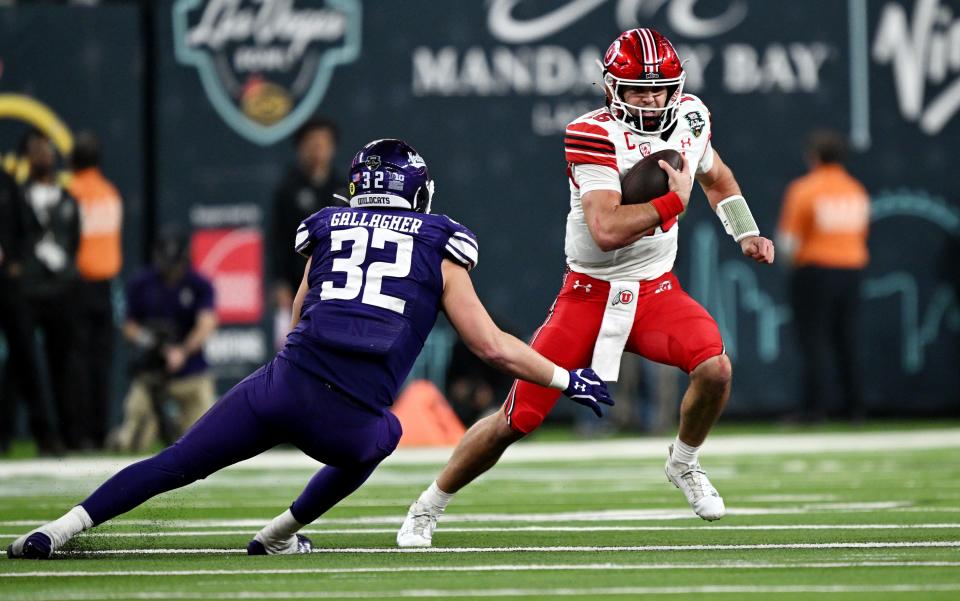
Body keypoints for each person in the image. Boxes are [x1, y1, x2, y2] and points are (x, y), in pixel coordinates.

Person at [6, 138, 612, 559]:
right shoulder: (438, 241)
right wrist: (566, 379)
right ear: (417, 192)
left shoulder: (327, 225)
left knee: (176, 463)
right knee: (386, 435)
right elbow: (493, 347)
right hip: (349, 415)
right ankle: (279, 533)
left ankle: (60, 529)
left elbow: (299, 313)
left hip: (282, 385)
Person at [397, 28, 775, 548]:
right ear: (611, 88)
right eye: (637, 89)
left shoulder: (691, 116)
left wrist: (745, 229)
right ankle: (428, 506)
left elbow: (719, 177)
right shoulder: (591, 133)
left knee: (716, 368)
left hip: (655, 290)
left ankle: (684, 463)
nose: (649, 97)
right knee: (516, 418)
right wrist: (671, 205)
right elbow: (607, 228)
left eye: (657, 88)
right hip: (589, 292)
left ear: (674, 87)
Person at [777, 129, 869, 423]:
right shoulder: (856, 189)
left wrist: (791, 267)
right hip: (852, 269)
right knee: (847, 339)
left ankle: (813, 409)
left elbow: (789, 240)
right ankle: (854, 409)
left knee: (813, 342)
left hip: (815, 270)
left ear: (813, 157)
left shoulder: (805, 189)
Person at [108, 229, 218, 452]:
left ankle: (177, 427)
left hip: (191, 373)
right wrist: (153, 344)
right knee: (131, 442)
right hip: (152, 373)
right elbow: (129, 326)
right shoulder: (142, 283)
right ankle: (129, 433)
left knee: (206, 441)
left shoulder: (199, 284)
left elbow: (207, 323)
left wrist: (182, 351)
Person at [17, 128, 86, 450]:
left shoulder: (68, 199)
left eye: (47, 149)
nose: (44, 155)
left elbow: (74, 241)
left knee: (65, 365)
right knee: (21, 365)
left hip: (61, 290)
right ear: (26, 157)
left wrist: (64, 265)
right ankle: (29, 433)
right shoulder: (16, 196)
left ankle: (69, 435)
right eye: (36, 150)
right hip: (28, 291)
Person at [269, 116, 348, 349]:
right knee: (290, 348)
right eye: (312, 143)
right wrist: (280, 283)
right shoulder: (288, 189)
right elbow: (278, 239)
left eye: (323, 144)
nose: (317, 150)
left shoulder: (343, 188)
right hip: (296, 284)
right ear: (301, 147)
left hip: (338, 283)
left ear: (332, 147)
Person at [0, 167, 64, 456]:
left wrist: (17, 260)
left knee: (24, 357)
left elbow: (29, 229)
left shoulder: (8, 184)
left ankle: (44, 435)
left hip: (10, 284)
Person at [68, 131, 124, 448]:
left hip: (78, 285)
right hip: (106, 287)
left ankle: (79, 434)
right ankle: (100, 431)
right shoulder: (110, 193)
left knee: (77, 362)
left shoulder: (72, 192)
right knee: (101, 363)